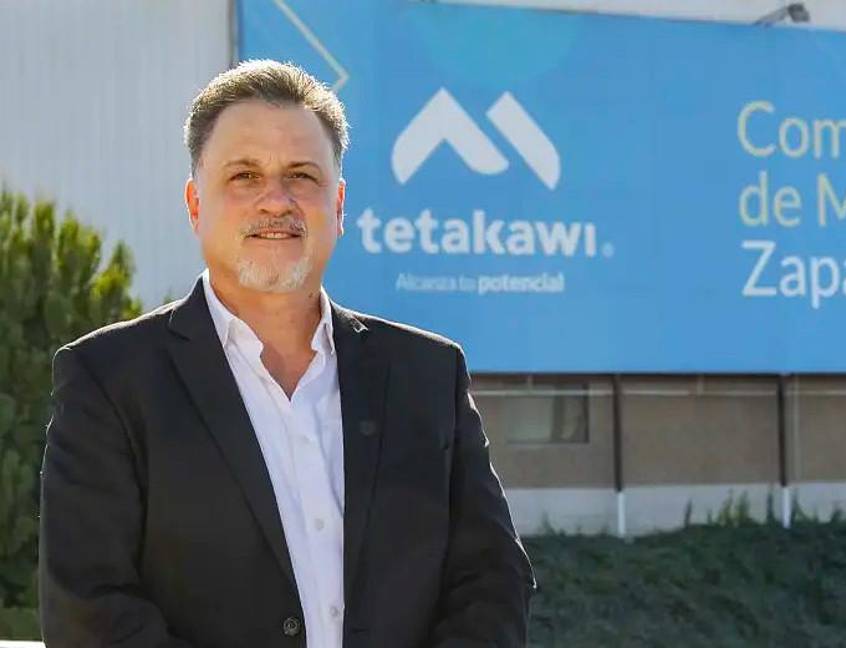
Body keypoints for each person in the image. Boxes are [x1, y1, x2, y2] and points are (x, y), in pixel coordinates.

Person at [38, 60, 535, 648]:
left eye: (301, 175)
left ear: (339, 204)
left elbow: (492, 580)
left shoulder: (427, 375)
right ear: (195, 204)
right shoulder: (109, 380)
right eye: (244, 176)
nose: (275, 201)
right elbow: (89, 609)